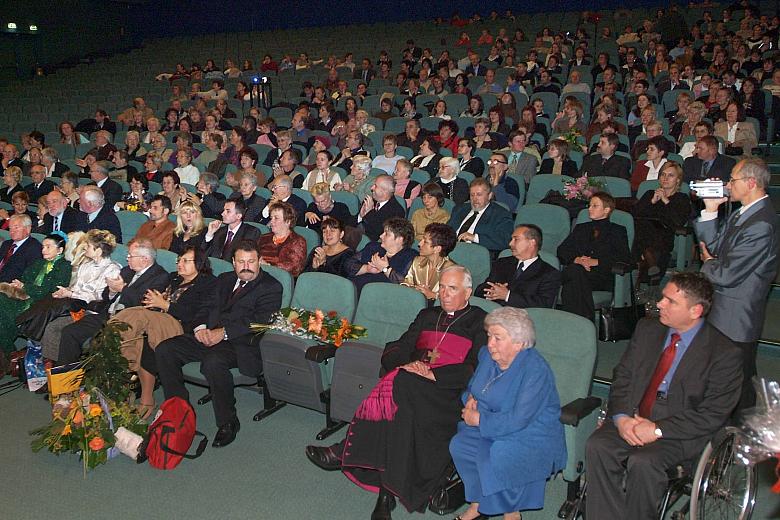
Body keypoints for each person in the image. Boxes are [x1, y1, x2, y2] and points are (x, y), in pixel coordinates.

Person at [305, 266, 488, 518]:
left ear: (467, 292)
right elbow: (399, 346)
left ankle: (345, 449)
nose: (444, 294)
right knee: (401, 398)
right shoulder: (427, 314)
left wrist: (434, 374)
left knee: (398, 385)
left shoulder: (480, 321)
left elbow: (478, 366)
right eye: (442, 287)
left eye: (452, 289)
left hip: (447, 393)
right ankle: (385, 495)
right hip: (410, 384)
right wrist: (407, 364)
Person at [586, 273, 743, 519]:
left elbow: (713, 414)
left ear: (695, 311)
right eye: (662, 297)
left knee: (643, 462)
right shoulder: (648, 329)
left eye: (671, 301)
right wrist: (621, 418)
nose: (659, 304)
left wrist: (657, 429)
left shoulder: (724, 353)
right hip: (636, 415)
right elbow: (623, 377)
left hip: (679, 430)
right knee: (598, 446)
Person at [156, 239, 283, 447]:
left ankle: (228, 421)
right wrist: (200, 328)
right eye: (241, 262)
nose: (246, 267)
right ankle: (179, 410)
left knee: (213, 362)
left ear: (260, 261)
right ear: (233, 262)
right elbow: (206, 306)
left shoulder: (271, 287)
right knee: (165, 349)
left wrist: (222, 333)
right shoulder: (224, 279)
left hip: (240, 343)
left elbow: (259, 322)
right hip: (208, 335)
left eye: (251, 262)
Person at [450, 307, 566, 520]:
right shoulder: (488, 356)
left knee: (497, 456)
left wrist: (479, 419)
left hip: (530, 432)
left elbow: (518, 419)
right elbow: (473, 388)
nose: (490, 343)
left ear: (519, 343)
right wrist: (470, 399)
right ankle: (478, 504)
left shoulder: (535, 371)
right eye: (489, 335)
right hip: (493, 421)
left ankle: (511, 513)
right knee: (460, 445)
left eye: (498, 338)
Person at [694, 158, 780, 410]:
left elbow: (727, 274)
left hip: (736, 317)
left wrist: (709, 263)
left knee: (737, 386)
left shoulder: (761, 223)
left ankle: (743, 431)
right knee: (726, 381)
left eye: (733, 180)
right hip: (724, 311)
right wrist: (711, 210)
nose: (728, 185)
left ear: (751, 183)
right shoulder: (743, 213)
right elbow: (712, 248)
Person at [111, 246, 215, 418]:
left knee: (135, 316)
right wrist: (155, 302)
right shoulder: (173, 278)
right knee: (139, 335)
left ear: (199, 263)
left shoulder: (208, 283)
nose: (180, 264)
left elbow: (196, 315)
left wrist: (165, 305)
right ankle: (145, 398)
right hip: (157, 323)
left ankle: (120, 353)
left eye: (185, 261)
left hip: (181, 327)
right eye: (179, 260)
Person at [18, 230, 120, 357]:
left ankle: (50, 361)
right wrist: (66, 291)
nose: (85, 248)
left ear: (98, 251)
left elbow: (99, 297)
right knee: (49, 301)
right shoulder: (86, 265)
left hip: (91, 310)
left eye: (88, 246)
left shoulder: (112, 270)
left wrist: (71, 294)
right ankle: (35, 347)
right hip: (74, 304)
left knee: (52, 326)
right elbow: (76, 287)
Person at [557, 192, 631, 321]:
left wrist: (595, 262)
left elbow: (624, 258)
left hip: (600, 276)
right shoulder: (581, 228)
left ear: (606, 210)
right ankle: (585, 321)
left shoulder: (617, 231)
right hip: (578, 271)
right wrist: (577, 260)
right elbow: (562, 250)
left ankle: (573, 321)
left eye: (595, 206)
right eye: (590, 205)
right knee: (575, 272)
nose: (590, 209)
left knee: (572, 280)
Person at [0, 233, 71, 362]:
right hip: (24, 297)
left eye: (48, 247)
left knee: (4, 312)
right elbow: (25, 278)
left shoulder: (64, 266)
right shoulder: (39, 262)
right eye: (43, 247)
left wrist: (26, 287)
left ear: (60, 250)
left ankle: (8, 353)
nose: (44, 250)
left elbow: (51, 289)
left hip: (41, 303)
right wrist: (19, 284)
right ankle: (9, 353)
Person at [477, 225, 561, 309]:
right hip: (492, 311)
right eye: (511, 239)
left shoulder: (549, 273)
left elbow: (544, 304)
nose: (510, 243)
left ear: (532, 242)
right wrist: (490, 291)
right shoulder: (502, 263)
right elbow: (481, 289)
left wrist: (507, 296)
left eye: (516, 239)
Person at [633, 162, 691, 283]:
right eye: (663, 174)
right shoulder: (650, 194)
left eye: (670, 175)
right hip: (642, 235)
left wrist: (665, 201)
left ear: (678, 180)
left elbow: (678, 221)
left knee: (649, 239)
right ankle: (652, 265)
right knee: (642, 225)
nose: (665, 178)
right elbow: (635, 215)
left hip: (663, 237)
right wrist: (652, 202)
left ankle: (648, 263)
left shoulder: (682, 198)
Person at [448, 178, 514, 255]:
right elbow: (447, 230)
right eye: (472, 195)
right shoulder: (460, 209)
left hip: (476, 254)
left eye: (479, 195)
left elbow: (505, 240)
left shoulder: (500, 214)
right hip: (451, 250)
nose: (475, 199)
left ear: (489, 196)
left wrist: (475, 238)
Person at [401, 223, 457, 300]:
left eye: (425, 242)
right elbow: (405, 284)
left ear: (437, 249)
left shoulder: (452, 271)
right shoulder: (417, 261)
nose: (419, 244)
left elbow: (455, 298)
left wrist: (433, 295)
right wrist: (415, 290)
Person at [256, 202, 308, 277]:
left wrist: (268, 267)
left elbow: (295, 267)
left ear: (288, 221)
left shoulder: (297, 241)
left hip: (280, 278)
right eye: (271, 218)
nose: (271, 221)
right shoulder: (263, 238)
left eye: (276, 218)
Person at [358, 174, 406, 241]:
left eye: (375, 186)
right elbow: (353, 223)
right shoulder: (370, 201)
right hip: (357, 235)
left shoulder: (397, 211)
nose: (372, 188)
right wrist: (360, 216)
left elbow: (380, 233)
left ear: (385, 191)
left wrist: (369, 212)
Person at [0, 214, 42, 283]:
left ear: (28, 229)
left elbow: (30, 276)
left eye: (16, 227)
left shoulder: (34, 248)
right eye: (10, 228)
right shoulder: (6, 244)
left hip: (10, 285)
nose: (12, 231)